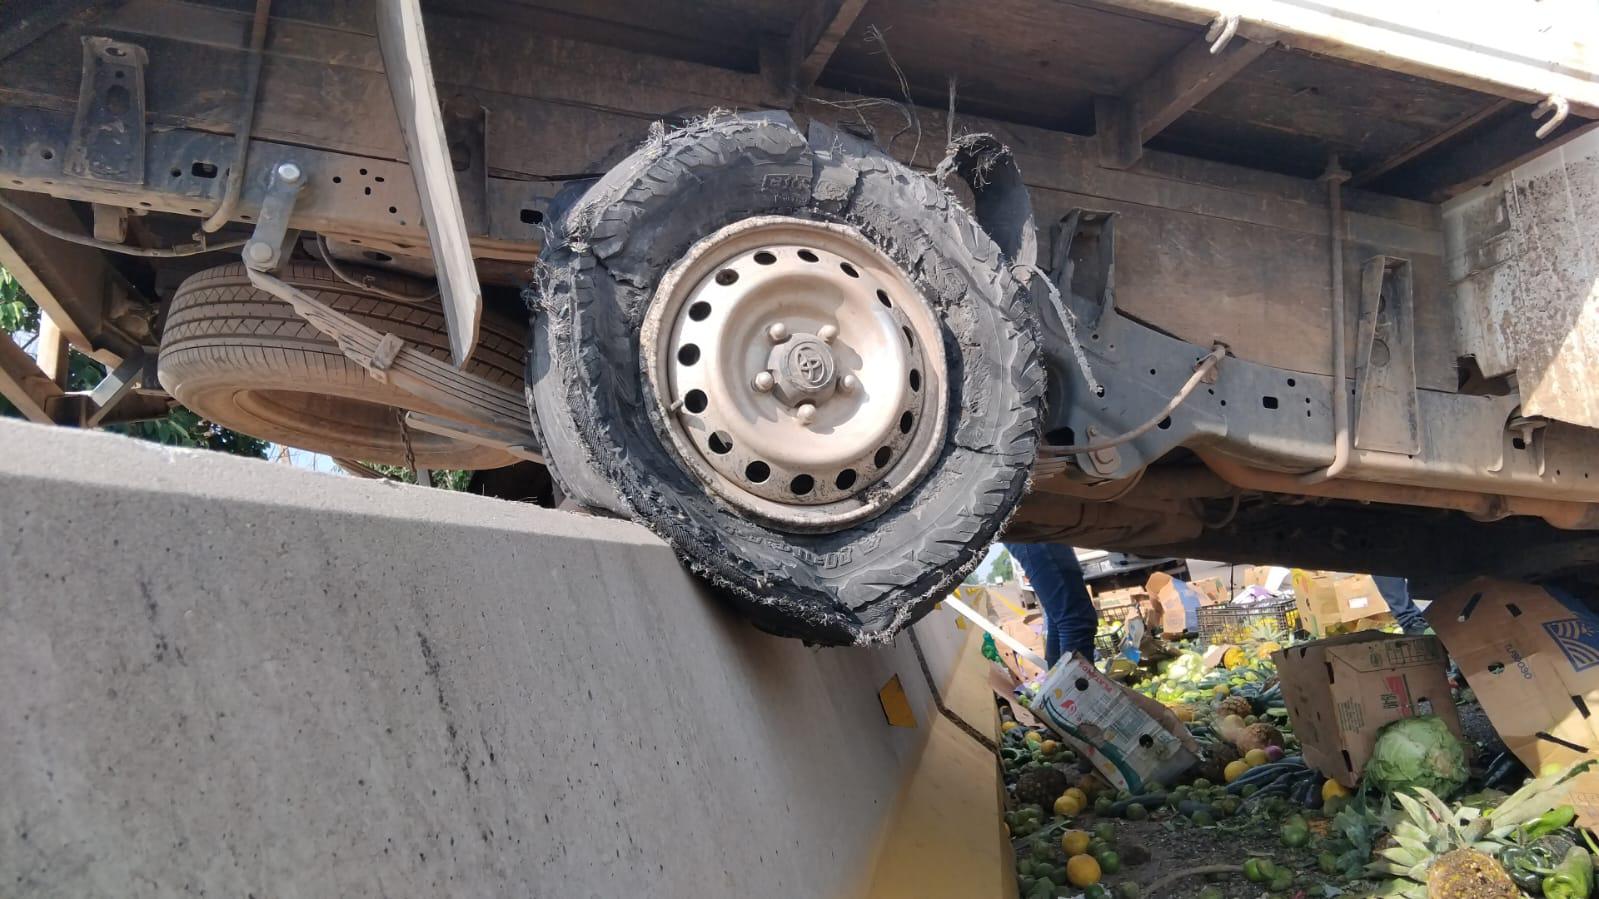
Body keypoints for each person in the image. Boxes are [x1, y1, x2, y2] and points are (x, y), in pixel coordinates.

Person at [1007, 542, 1098, 667]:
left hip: (1033, 533)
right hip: (1033, 531)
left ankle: (1059, 684)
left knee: (1061, 619)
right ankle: (1070, 684)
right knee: (1076, 619)